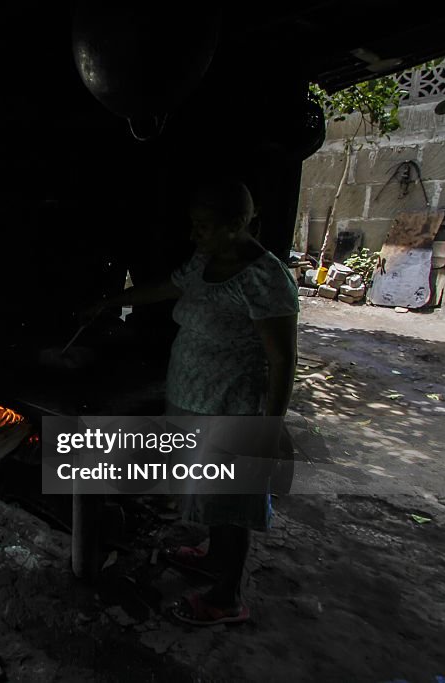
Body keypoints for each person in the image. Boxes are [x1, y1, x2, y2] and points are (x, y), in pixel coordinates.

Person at [88, 179, 298, 626]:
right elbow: (167, 287)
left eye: (202, 226)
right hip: (191, 397)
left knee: (232, 504)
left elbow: (282, 359)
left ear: (237, 224)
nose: (193, 235)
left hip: (232, 405)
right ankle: (211, 556)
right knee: (208, 494)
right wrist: (111, 300)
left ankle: (227, 597)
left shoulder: (267, 278)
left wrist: (270, 426)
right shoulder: (206, 260)